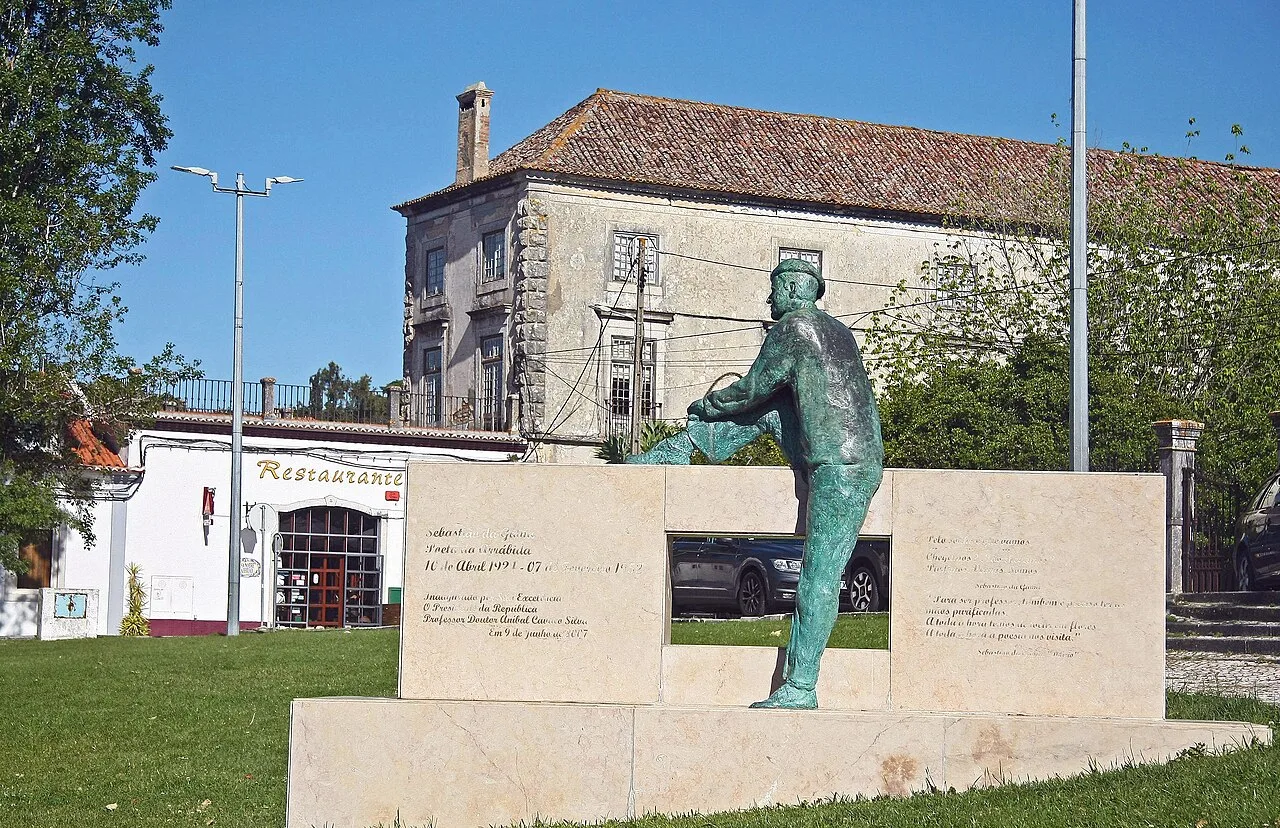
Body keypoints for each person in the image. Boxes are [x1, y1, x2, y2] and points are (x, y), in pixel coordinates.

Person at [628, 258, 884, 709]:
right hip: (845, 455)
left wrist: (705, 406)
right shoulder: (838, 332)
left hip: (840, 466)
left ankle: (801, 687)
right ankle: (683, 448)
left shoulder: (793, 329)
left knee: (818, 579)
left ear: (791, 288)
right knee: (769, 414)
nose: (769, 300)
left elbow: (750, 389)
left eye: (774, 289)